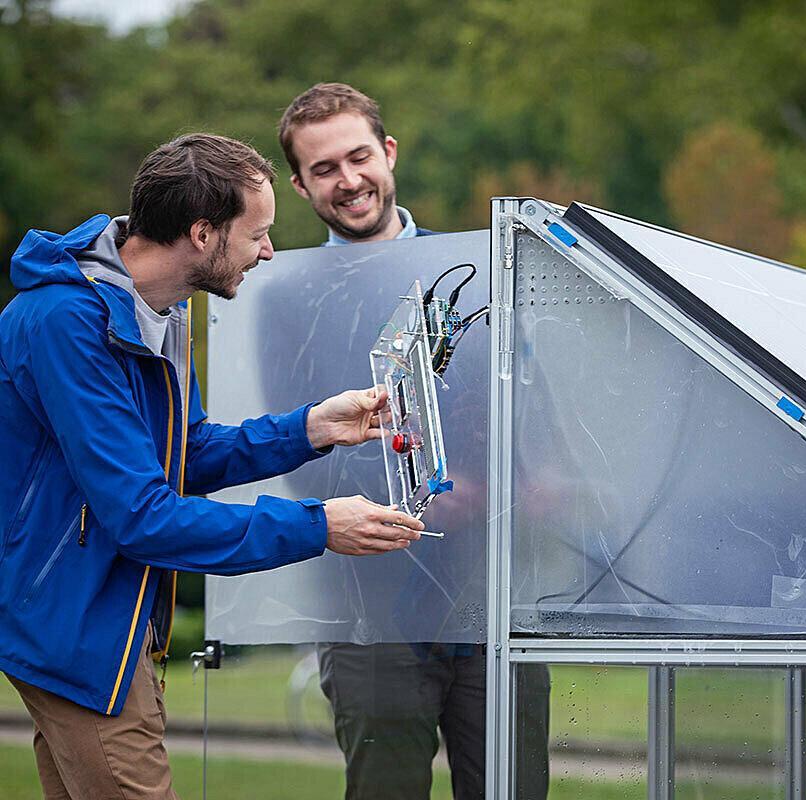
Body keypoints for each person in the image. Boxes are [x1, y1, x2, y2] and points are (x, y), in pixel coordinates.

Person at [0, 133, 427, 800]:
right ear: (203, 233)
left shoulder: (159, 313)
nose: (268, 251)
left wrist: (312, 428)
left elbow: (186, 456)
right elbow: (143, 518)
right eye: (256, 234)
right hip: (76, 628)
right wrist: (318, 525)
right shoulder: (66, 322)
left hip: (108, 622)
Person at [279, 82, 550, 800]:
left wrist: (520, 493)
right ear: (300, 186)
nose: (349, 181)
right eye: (324, 169)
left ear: (389, 152)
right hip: (370, 610)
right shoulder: (286, 296)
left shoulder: (487, 276)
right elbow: (284, 448)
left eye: (358, 157)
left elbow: (538, 423)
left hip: (496, 599)